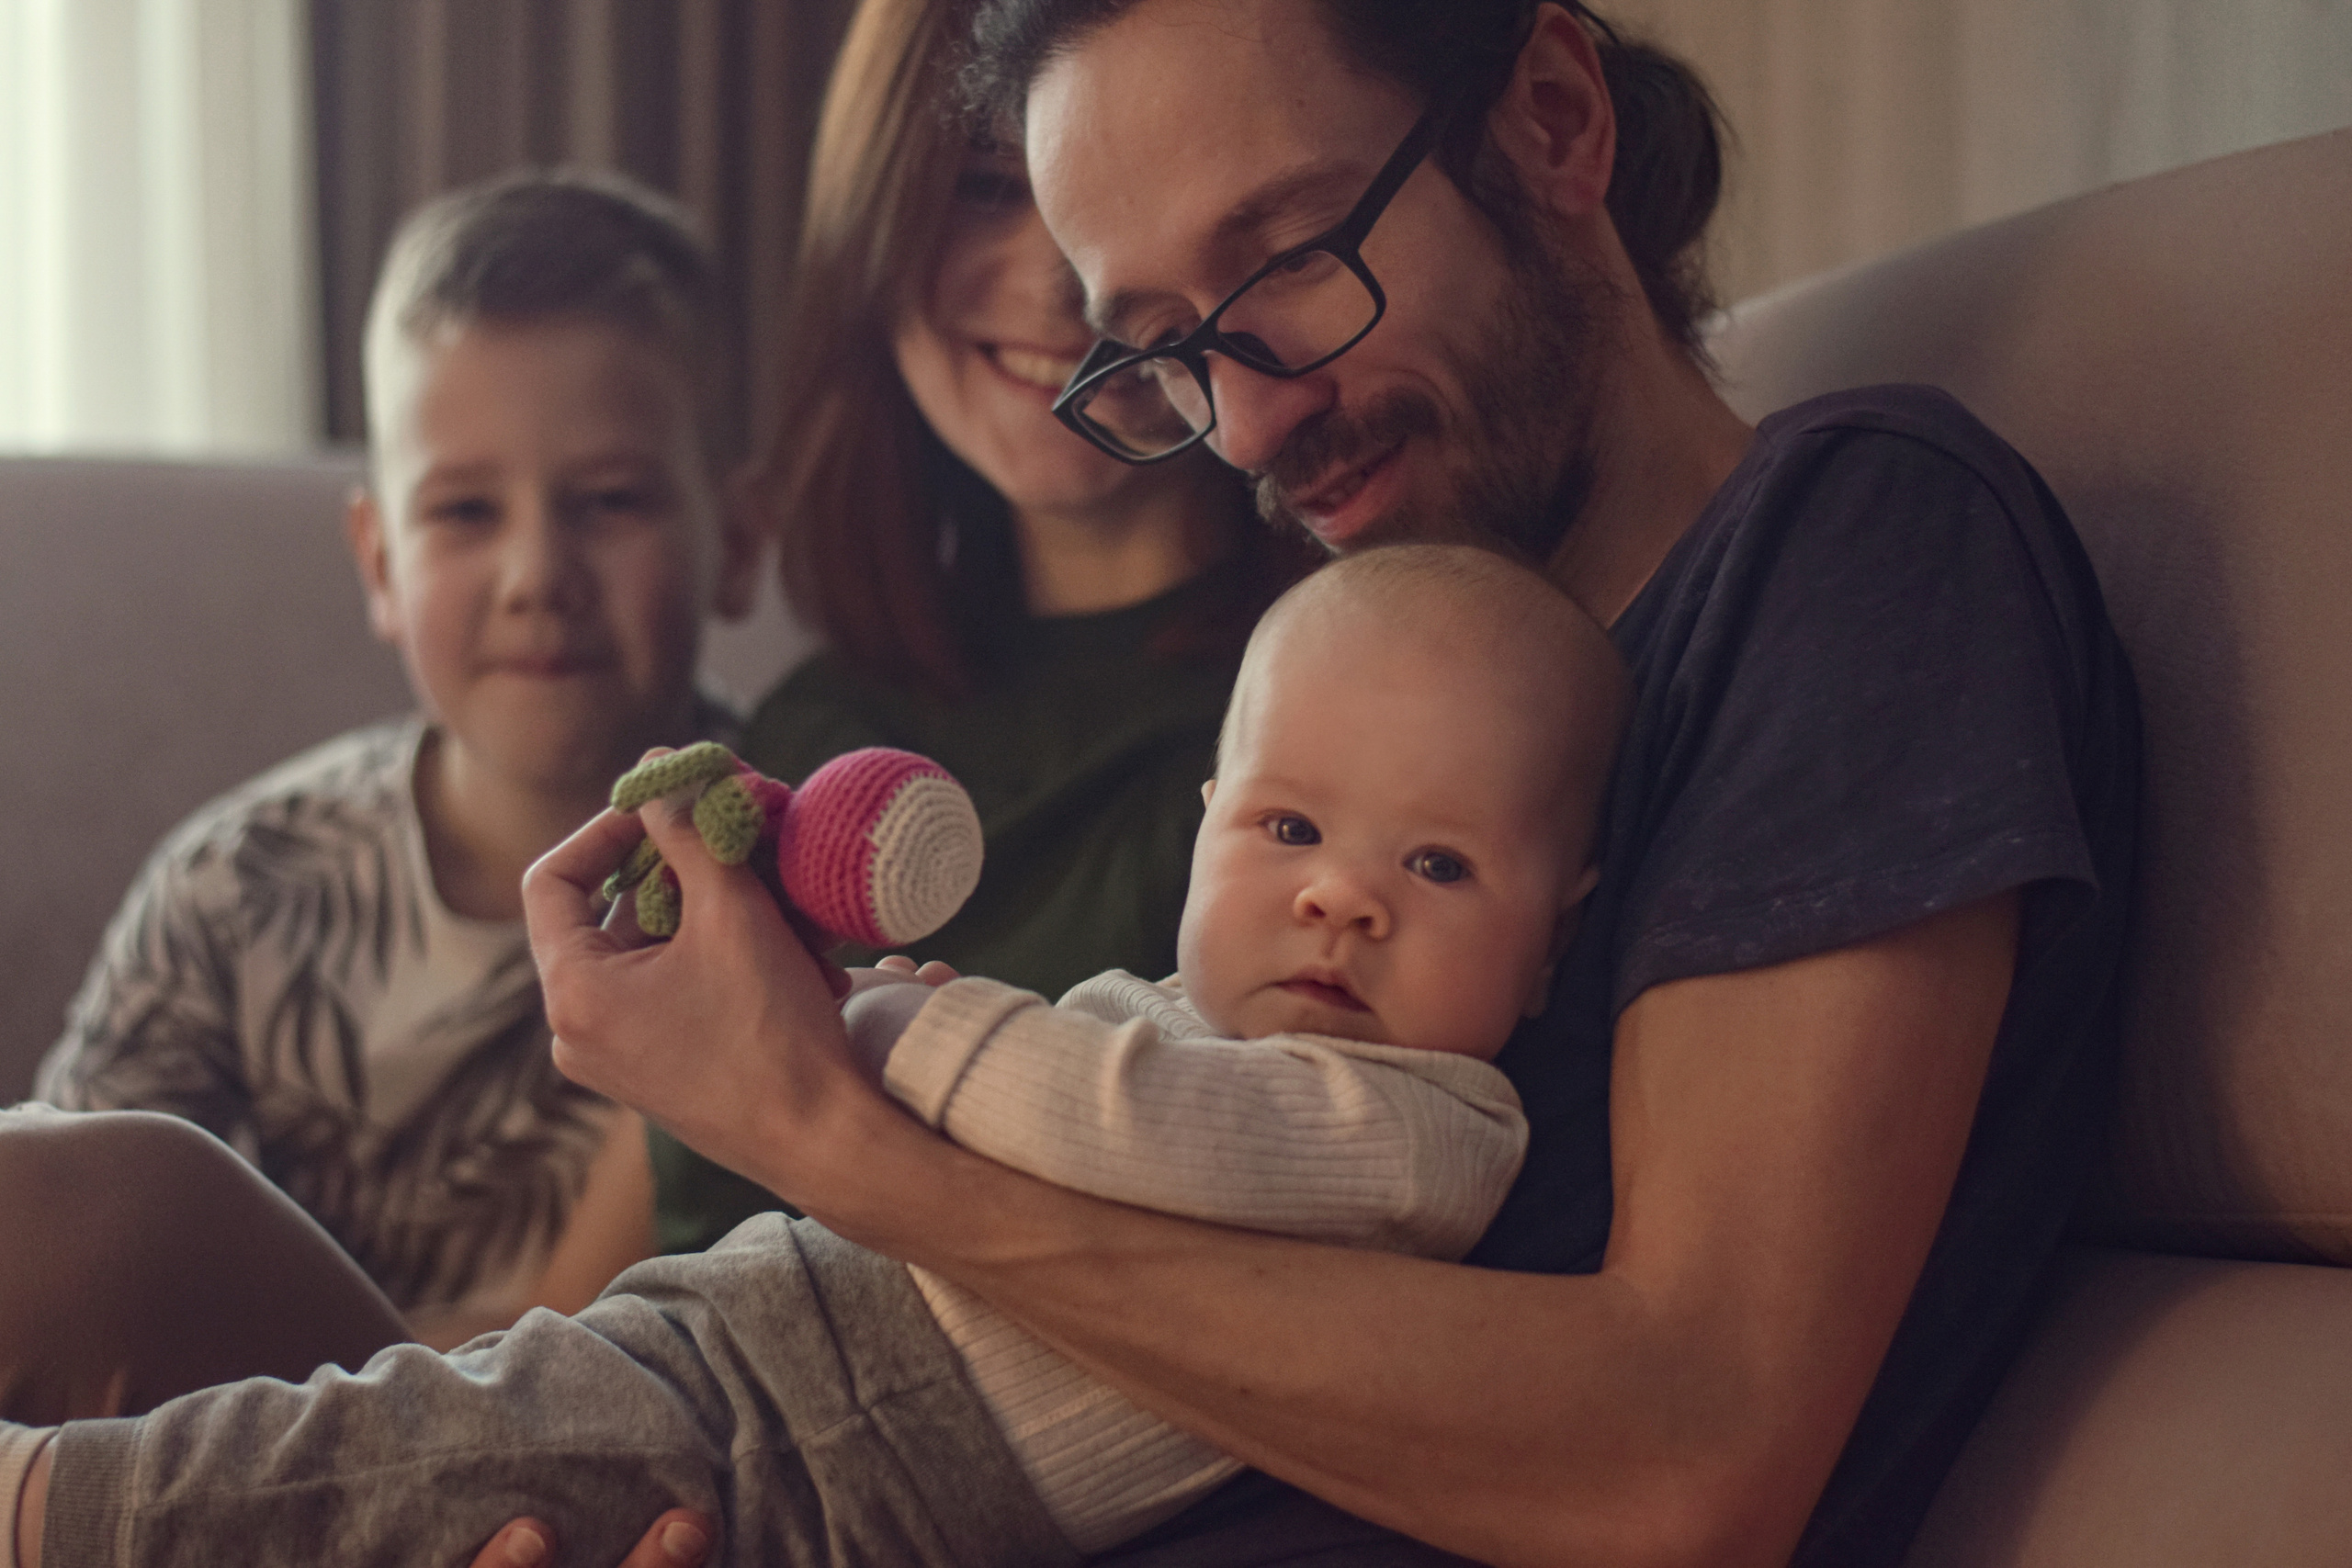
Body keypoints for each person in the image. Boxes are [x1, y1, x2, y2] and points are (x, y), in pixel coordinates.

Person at [500, 3, 2141, 1566]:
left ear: (1555, 121)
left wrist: (835, 1139)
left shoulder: (1851, 547)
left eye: (1288, 261)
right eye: (1160, 354)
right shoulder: (1352, 744)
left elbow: (1684, 1456)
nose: (1249, 422)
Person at [3, 544, 1631, 1568]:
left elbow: (1123, 1124)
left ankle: (42, 1512)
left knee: (386, 1469)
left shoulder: (1433, 1131)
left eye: (1440, 869)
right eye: (1289, 829)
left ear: (1559, 934)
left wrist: (899, 1025)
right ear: (1207, 839)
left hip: (845, 1449)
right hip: (792, 1336)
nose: (1342, 895)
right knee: (421, 1421)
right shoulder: (1193, 1007)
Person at [20, 169, 761, 1357]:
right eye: (465, 513)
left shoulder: (769, 890)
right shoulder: (234, 890)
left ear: (738, 541)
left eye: (610, 500)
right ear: (377, 561)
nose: (537, 574)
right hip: (239, 1466)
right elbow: (59, 1244)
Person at [648, 0, 1312, 1254]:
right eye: (986, 186)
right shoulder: (811, 730)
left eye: (1111, 188)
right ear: (874, 221)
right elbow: (596, 1286)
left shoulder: (1341, 729)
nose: (1062, 281)